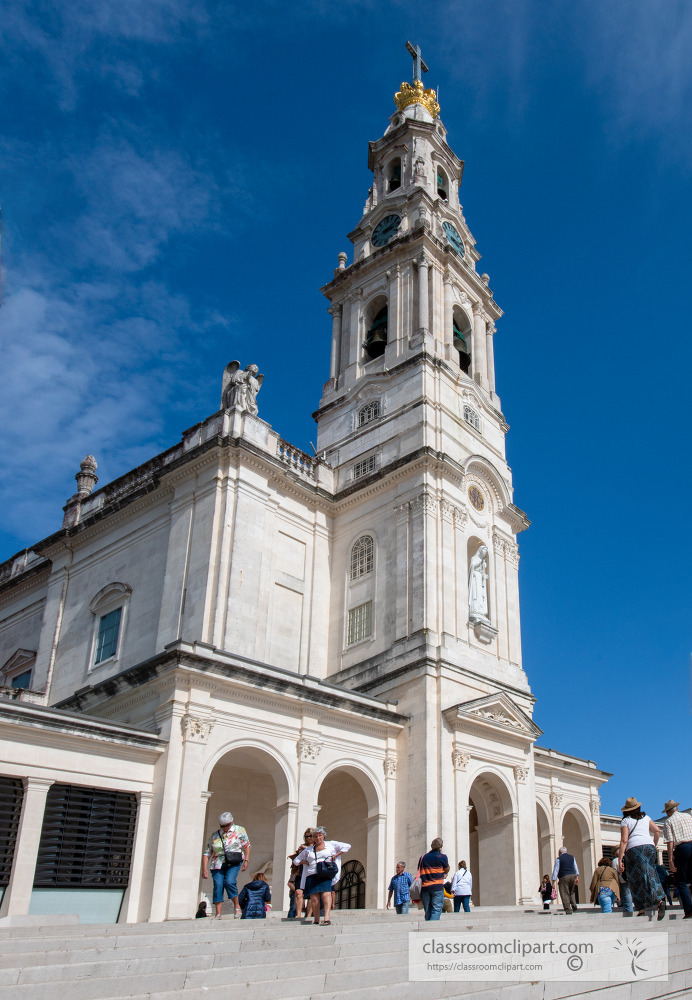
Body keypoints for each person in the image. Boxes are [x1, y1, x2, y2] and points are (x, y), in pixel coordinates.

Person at [618, 796, 665, 920]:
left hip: (634, 849)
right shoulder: (647, 818)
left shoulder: (625, 821)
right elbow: (657, 831)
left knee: (635, 879)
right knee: (650, 873)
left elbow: (624, 840)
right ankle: (659, 899)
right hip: (649, 847)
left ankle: (642, 909)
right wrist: (653, 844)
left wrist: (620, 859)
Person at [294, 826, 350, 926]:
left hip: (325, 873)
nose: (318, 838)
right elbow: (296, 860)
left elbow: (347, 846)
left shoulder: (331, 845)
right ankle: (316, 919)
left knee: (326, 894)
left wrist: (336, 855)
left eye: (320, 835)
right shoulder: (309, 850)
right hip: (312, 874)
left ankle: (327, 918)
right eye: (315, 836)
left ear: (324, 836)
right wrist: (305, 862)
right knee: (314, 898)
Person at [201, 811, 251, 919]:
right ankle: (218, 913)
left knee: (230, 882)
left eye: (227, 825)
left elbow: (246, 845)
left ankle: (237, 906)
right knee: (218, 885)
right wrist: (204, 868)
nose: (225, 827)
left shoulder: (239, 830)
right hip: (217, 864)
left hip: (233, 861)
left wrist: (246, 860)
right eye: (222, 826)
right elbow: (207, 852)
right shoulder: (215, 835)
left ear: (232, 822)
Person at [662, 799, 692, 919]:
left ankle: (689, 911)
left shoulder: (668, 821)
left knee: (681, 882)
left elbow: (670, 841)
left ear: (667, 813)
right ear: (677, 808)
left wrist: (670, 859)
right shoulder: (688, 816)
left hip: (682, 848)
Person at [418, 837, 450, 921]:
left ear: (431, 846)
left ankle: (427, 929)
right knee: (436, 909)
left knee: (427, 911)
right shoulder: (443, 857)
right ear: (441, 846)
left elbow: (419, 870)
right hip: (437, 887)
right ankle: (431, 930)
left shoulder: (422, 857)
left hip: (425, 887)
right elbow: (446, 869)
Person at [287, 829, 314, 919]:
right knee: (298, 893)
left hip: (312, 873)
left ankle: (309, 915)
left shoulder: (316, 847)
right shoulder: (302, 847)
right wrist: (300, 852)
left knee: (311, 895)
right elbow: (296, 860)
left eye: (310, 836)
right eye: (307, 836)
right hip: (300, 873)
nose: (309, 838)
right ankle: (298, 914)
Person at [551, 846, 579, 914]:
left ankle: (568, 909)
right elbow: (575, 867)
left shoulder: (559, 859)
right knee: (572, 891)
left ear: (560, 852)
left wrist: (553, 881)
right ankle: (574, 905)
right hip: (573, 875)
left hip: (564, 876)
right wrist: (577, 877)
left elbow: (556, 870)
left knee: (564, 893)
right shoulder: (572, 857)